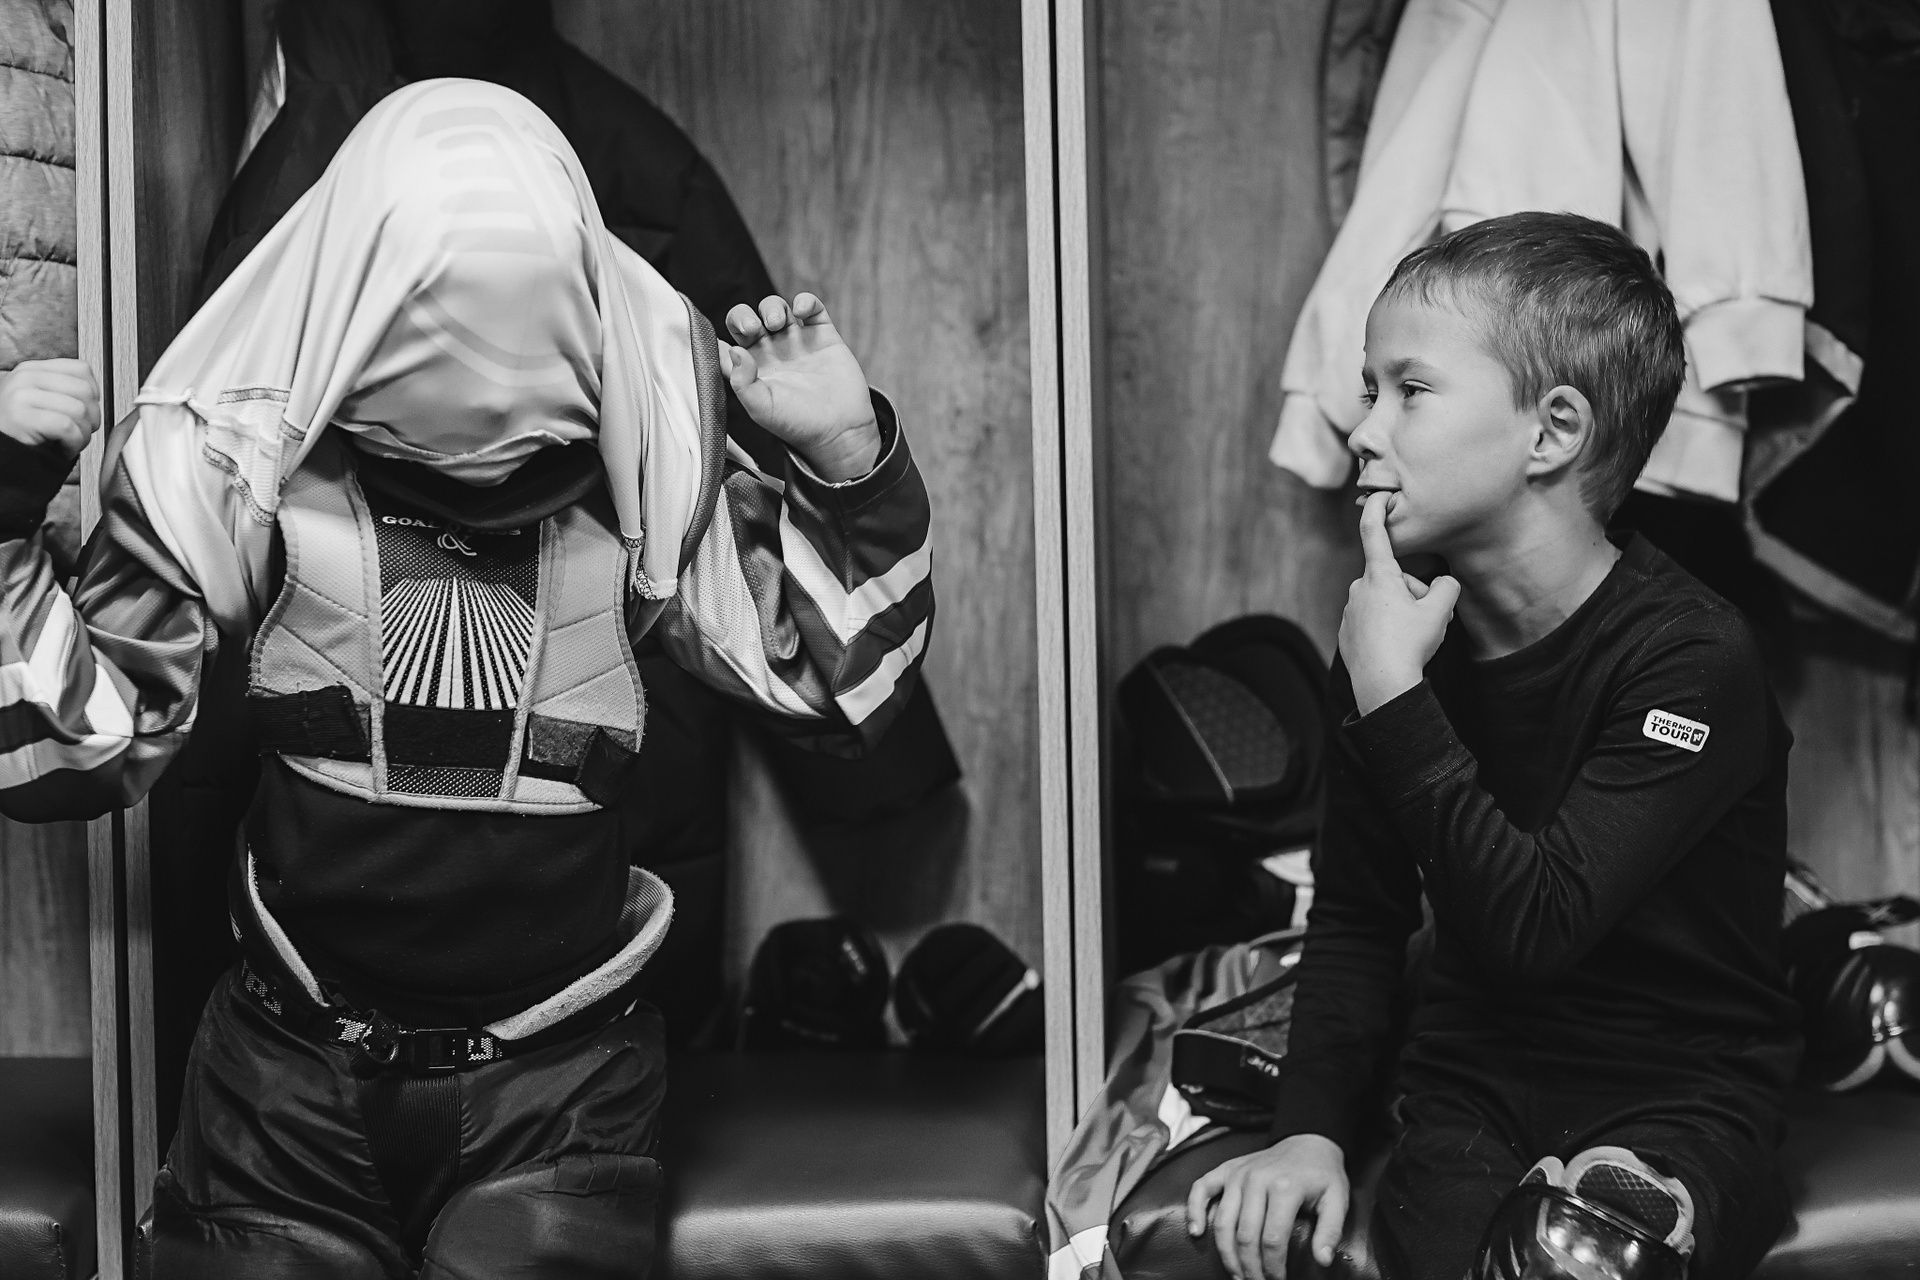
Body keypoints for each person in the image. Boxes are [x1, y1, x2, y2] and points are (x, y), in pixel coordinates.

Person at [0, 79, 932, 1279]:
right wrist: (8, 507)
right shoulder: (239, 474)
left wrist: (849, 460)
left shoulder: (651, 474)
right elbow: (65, 745)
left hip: (562, 1087)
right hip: (285, 1090)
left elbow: (848, 685)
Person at [1186, 212, 1799, 1280]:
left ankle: (1631, 1196)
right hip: (1472, 1086)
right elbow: (1358, 916)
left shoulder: (1692, 655)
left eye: (1409, 391)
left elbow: (1537, 925)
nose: (1363, 431)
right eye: (1369, 391)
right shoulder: (1387, 640)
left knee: (1579, 1255)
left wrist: (1394, 694)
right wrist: (1310, 1131)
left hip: (1683, 1087)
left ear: (1551, 432)